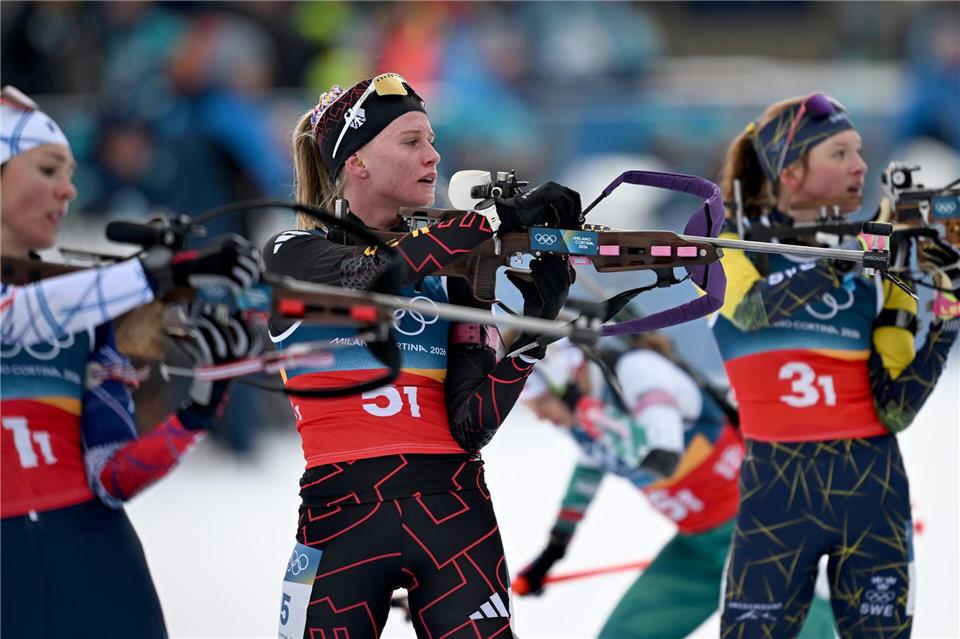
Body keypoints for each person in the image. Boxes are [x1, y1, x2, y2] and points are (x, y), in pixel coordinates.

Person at [264, 72, 579, 639]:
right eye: (411, 141)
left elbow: (470, 423)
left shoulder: (451, 277)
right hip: (343, 516)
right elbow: (376, 273)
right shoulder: (294, 252)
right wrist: (488, 223)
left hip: (453, 509)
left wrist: (532, 333)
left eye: (432, 140)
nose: (433, 155)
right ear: (355, 161)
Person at [0, 86, 264, 638]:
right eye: (48, 169)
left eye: (71, 171)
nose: (68, 189)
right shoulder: (75, 301)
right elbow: (14, 318)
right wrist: (157, 273)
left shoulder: (86, 307)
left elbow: (111, 476)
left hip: (96, 557)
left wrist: (197, 408)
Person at [712, 93, 959, 639]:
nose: (860, 166)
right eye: (840, 152)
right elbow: (753, 311)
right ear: (790, 169)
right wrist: (862, 250)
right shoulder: (731, 245)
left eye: (860, 151)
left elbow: (894, 409)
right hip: (778, 492)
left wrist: (944, 309)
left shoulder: (873, 263)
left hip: (873, 489)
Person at [515, 336, 836, 639]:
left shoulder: (637, 372)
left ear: (569, 376)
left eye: (541, 401)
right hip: (697, 546)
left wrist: (589, 412)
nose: (541, 416)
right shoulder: (583, 417)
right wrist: (553, 550)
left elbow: (662, 456)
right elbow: (589, 469)